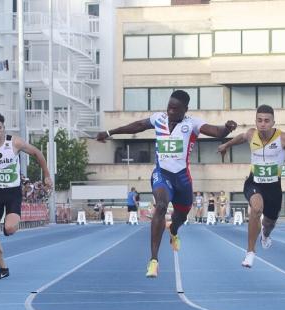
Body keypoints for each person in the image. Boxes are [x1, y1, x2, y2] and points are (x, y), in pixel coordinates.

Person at [96, 90, 237, 278]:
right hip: (162, 175)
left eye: (175, 108)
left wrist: (227, 128)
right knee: (160, 206)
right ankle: (153, 261)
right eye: (168, 107)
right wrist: (109, 132)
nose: (170, 111)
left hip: (182, 179)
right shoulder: (159, 119)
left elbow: (216, 131)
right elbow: (138, 125)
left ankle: (174, 230)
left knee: (182, 216)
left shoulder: (192, 123)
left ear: (185, 109)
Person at [218, 104, 285, 268]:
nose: (262, 124)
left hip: (273, 187)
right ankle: (250, 252)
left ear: (273, 122)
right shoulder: (251, 134)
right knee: (256, 209)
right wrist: (225, 145)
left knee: (269, 223)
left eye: (266, 121)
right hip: (254, 182)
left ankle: (265, 234)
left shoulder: (283, 138)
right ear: (256, 122)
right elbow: (240, 138)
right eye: (259, 120)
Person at [0, 111, 52, 280]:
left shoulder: (15, 143)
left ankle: (8, 226)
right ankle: (3, 268)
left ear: (3, 128)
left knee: (10, 229)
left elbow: (37, 153)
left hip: (13, 192)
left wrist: (47, 174)